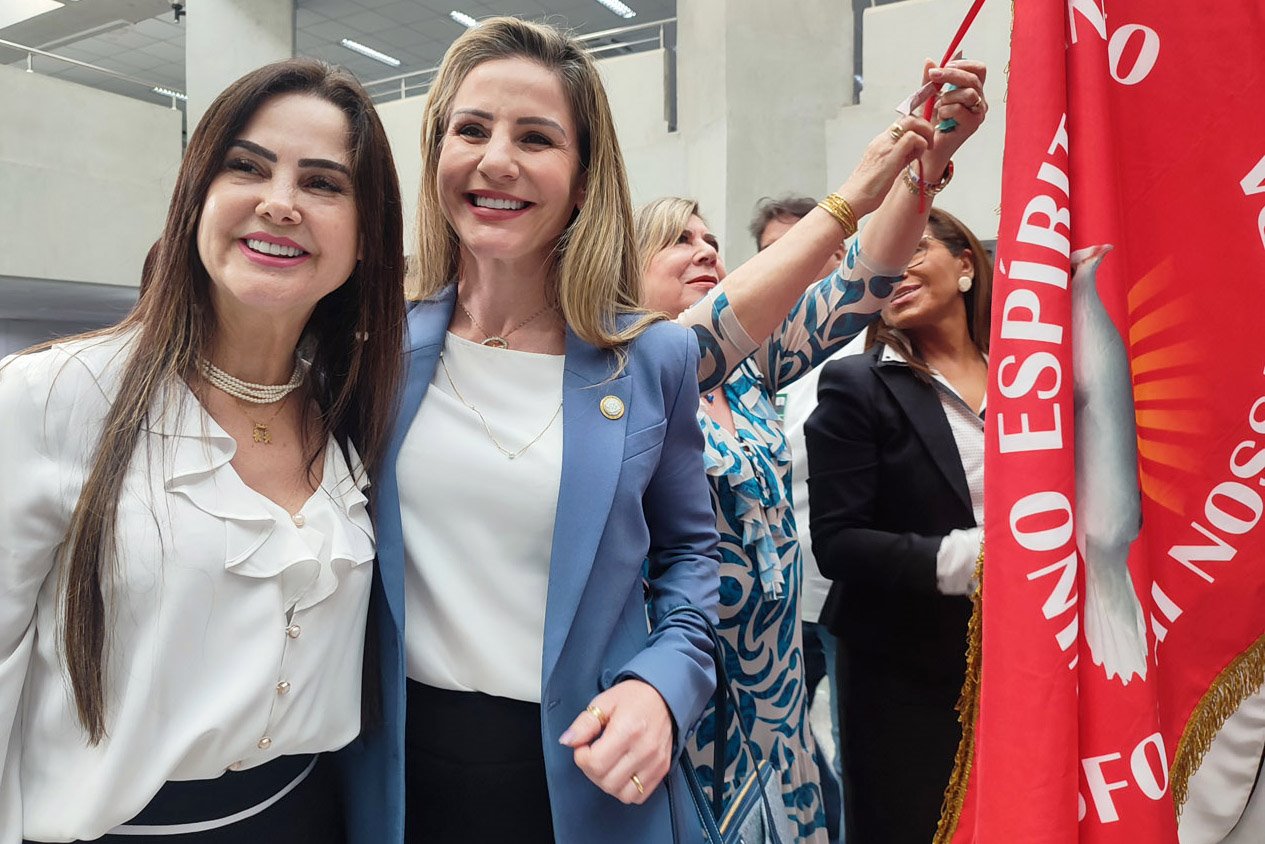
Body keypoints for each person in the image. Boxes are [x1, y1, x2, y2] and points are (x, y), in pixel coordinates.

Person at [0, 59, 404, 843]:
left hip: (309, 817)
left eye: (322, 183)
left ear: (365, 238)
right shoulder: (51, 397)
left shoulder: (351, 413)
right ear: (196, 198)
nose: (279, 202)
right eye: (246, 167)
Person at [339, 18, 722, 844]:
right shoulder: (376, 346)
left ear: (583, 180)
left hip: (584, 770)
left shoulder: (650, 357)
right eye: (470, 130)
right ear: (436, 155)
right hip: (398, 772)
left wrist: (662, 686)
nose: (496, 160)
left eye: (536, 138)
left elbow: (692, 554)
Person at [635, 62, 989, 842]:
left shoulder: (750, 371)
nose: (705, 251)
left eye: (710, 240)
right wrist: (855, 189)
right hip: (680, 693)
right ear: (623, 268)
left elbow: (861, 282)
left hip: (776, 702)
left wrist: (920, 168)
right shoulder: (624, 376)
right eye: (677, 241)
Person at [805, 207, 992, 844]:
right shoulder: (858, 383)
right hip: (904, 667)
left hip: (1026, 647)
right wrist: (967, 561)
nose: (896, 270)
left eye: (914, 248)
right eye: (883, 261)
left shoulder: (1028, 377)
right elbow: (838, 542)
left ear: (965, 264)